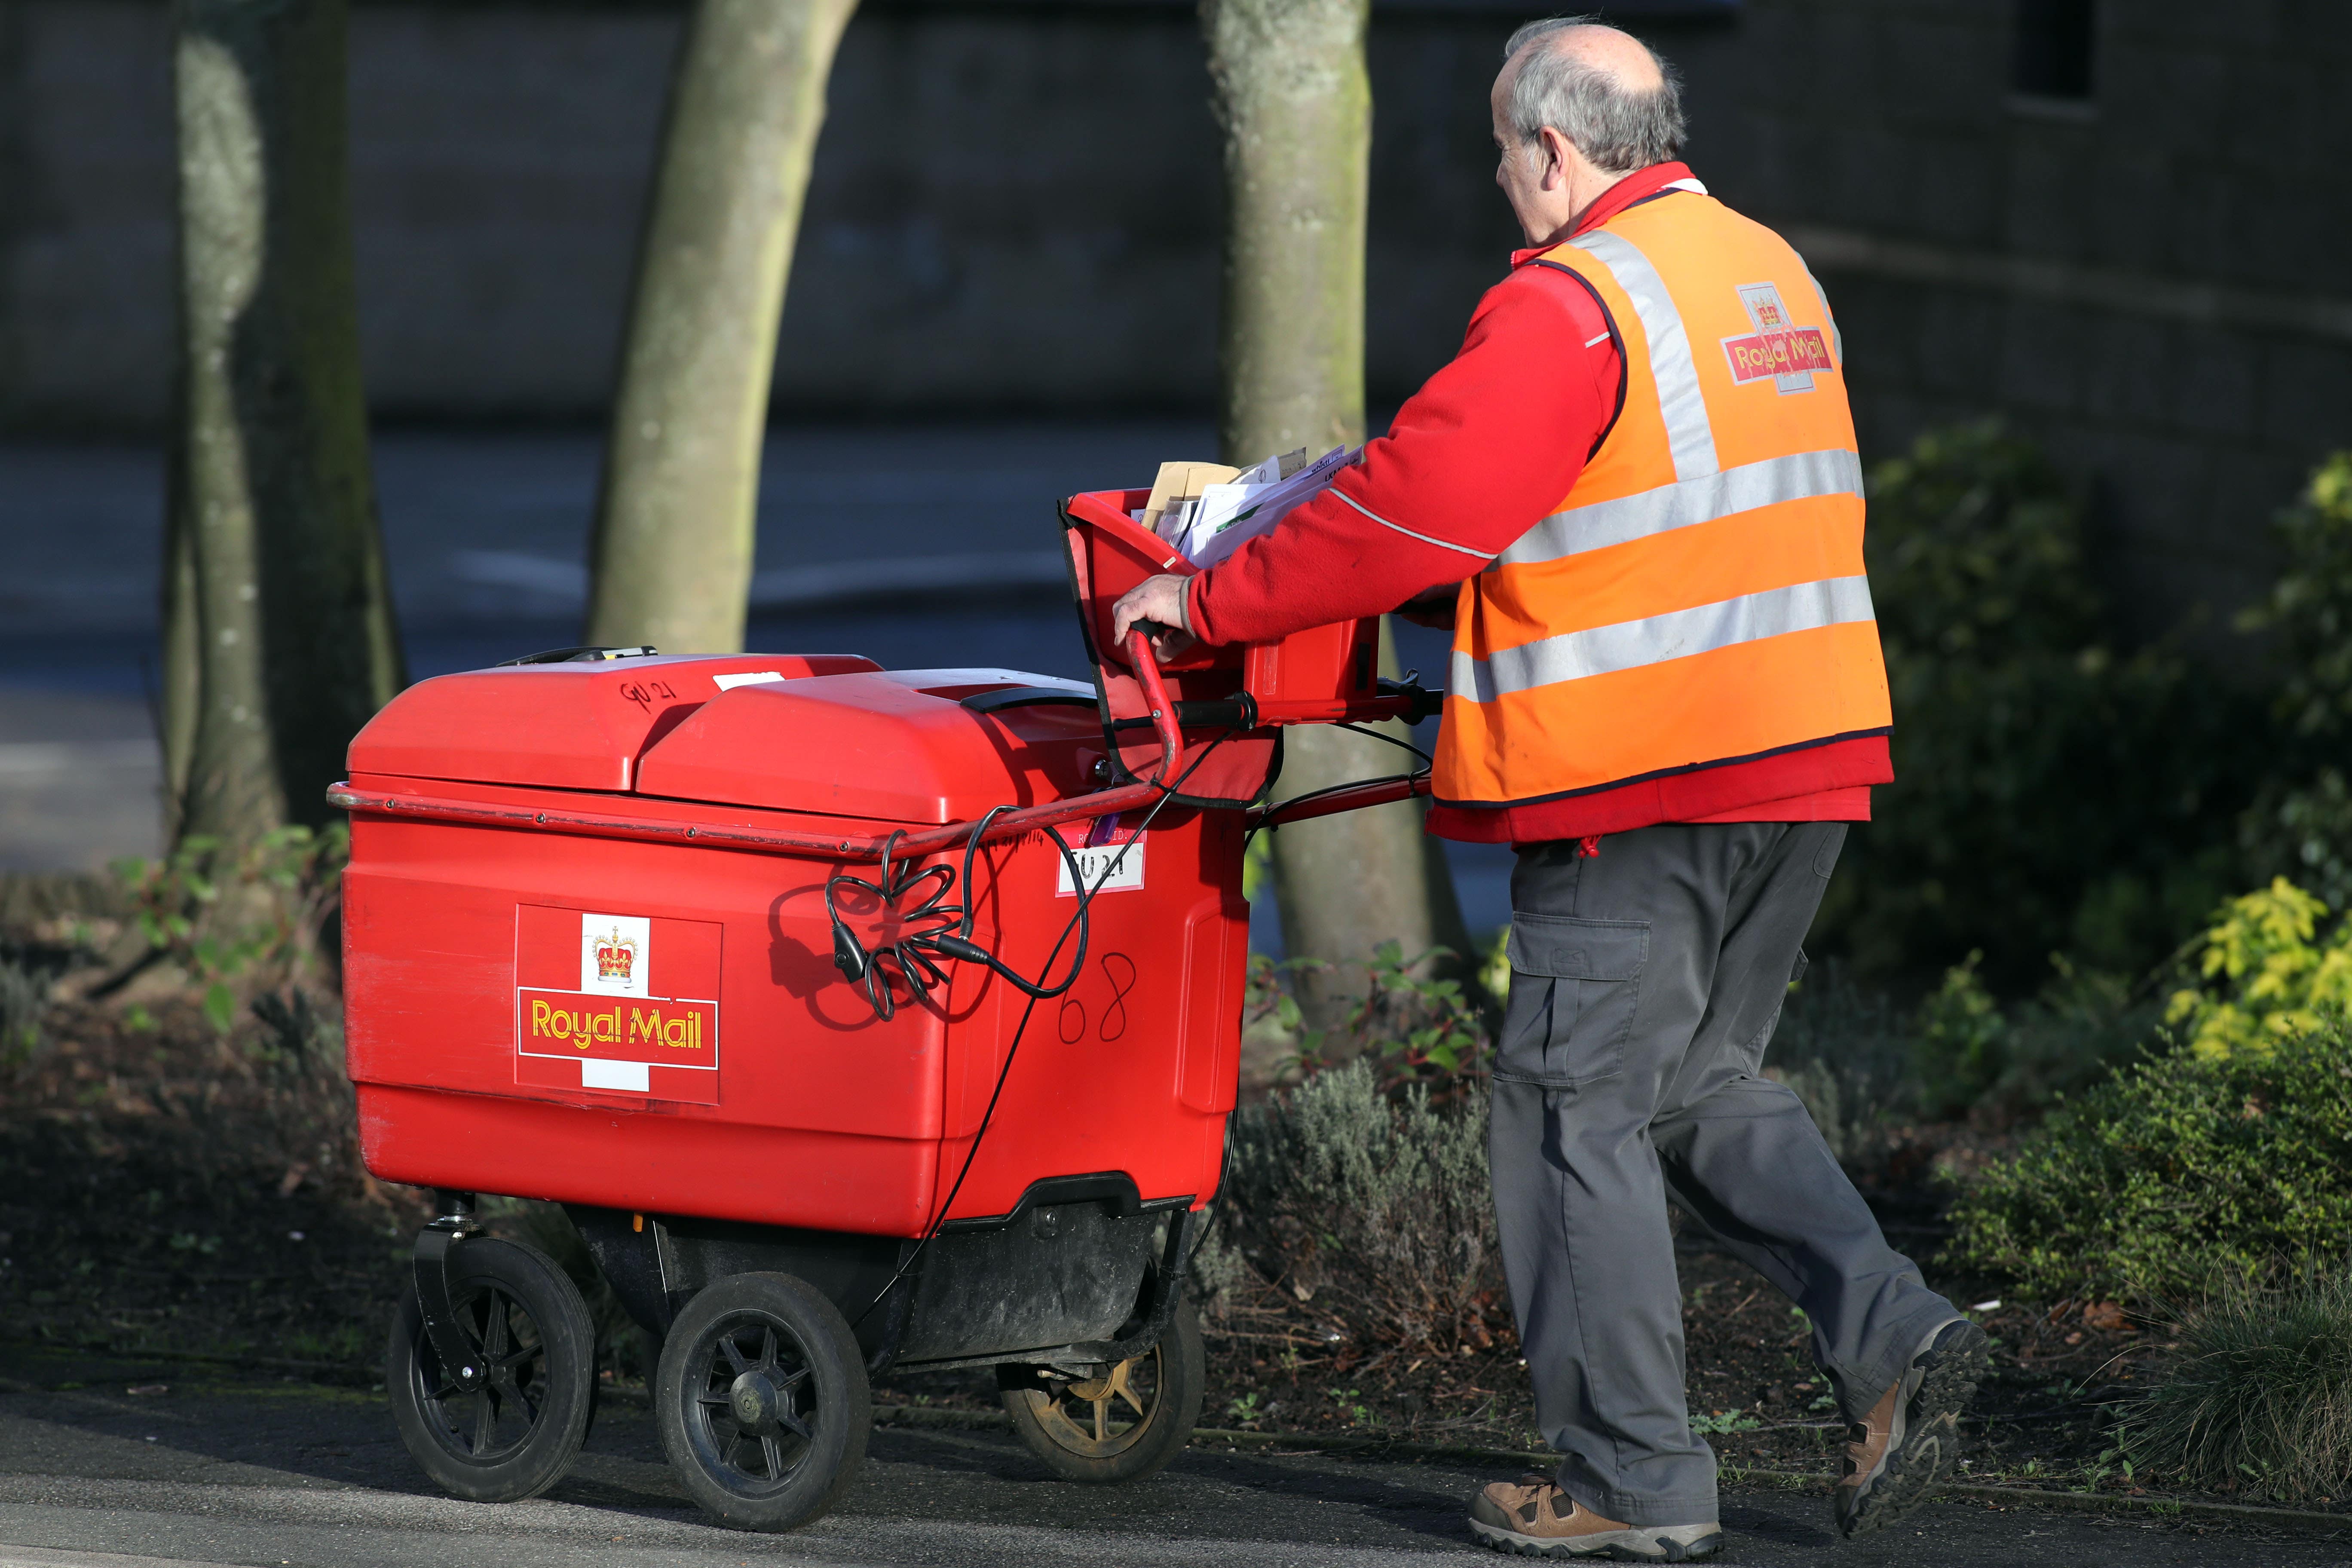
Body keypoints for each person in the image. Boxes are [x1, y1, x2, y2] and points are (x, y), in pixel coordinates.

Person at [1113, 15, 1988, 1562]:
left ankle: (1633, 1481)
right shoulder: (1765, 265)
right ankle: (1897, 1336)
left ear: (1554, 151)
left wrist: (1214, 597)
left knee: (1568, 1104)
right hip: (1806, 751)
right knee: (1698, 1082)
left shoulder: (1574, 303)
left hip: (1643, 774)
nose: (1508, 183)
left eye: (1507, 155)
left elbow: (1423, 509)